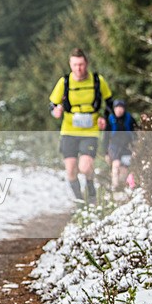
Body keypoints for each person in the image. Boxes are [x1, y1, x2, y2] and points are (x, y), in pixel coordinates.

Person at [49, 48, 113, 203]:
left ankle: (91, 193)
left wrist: (104, 117)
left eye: (81, 64)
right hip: (69, 130)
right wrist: (55, 111)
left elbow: (110, 102)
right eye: (75, 65)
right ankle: (79, 200)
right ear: (70, 65)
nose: (78, 68)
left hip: (90, 131)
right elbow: (52, 104)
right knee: (71, 169)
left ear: (87, 64)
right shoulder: (64, 82)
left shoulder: (97, 80)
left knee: (85, 167)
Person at [102, 99, 137, 191]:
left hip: (127, 146)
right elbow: (105, 137)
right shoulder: (110, 119)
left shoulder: (129, 118)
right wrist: (105, 152)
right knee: (116, 165)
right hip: (114, 146)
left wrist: (136, 148)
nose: (119, 110)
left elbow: (136, 133)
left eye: (121, 108)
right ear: (114, 109)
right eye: (117, 108)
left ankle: (124, 186)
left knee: (124, 168)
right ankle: (115, 186)